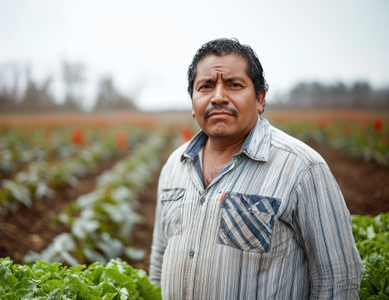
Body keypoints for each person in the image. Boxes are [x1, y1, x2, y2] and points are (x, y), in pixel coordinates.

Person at [149, 38, 363, 299]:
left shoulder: (302, 169)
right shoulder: (175, 165)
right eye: (205, 86)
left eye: (234, 85)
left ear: (260, 98)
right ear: (192, 102)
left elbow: (338, 279)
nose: (218, 97)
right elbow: (160, 257)